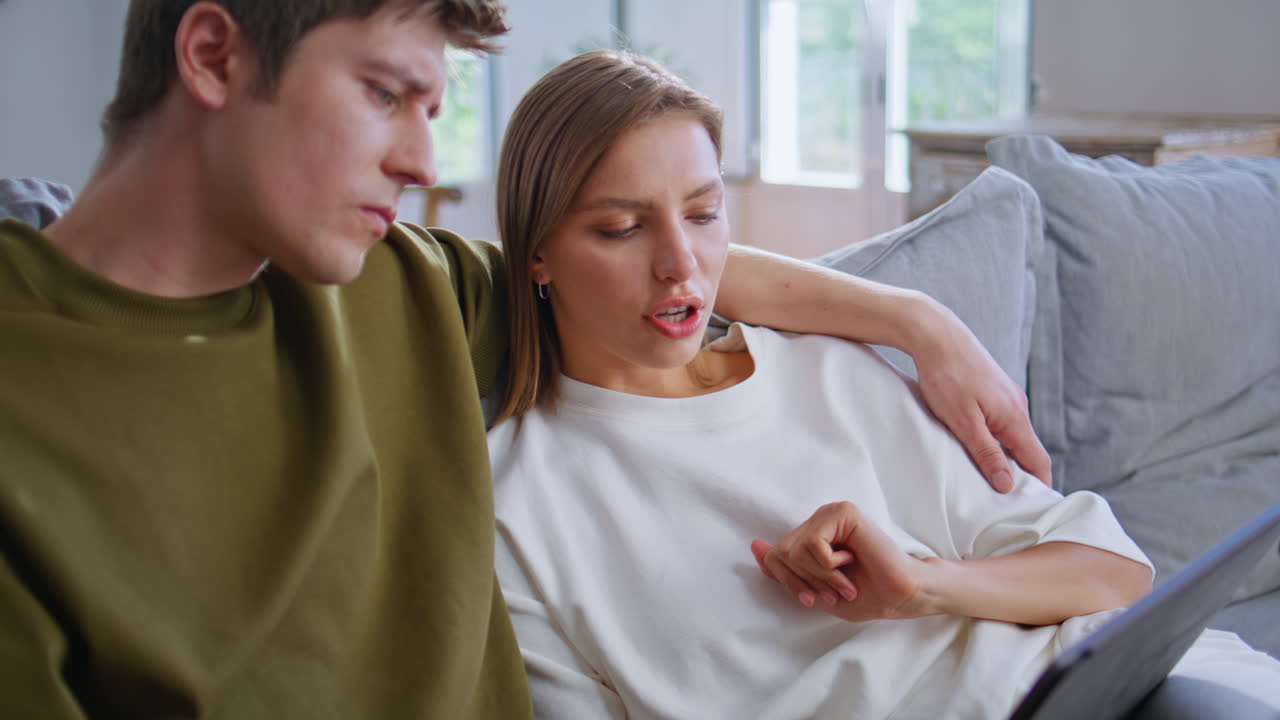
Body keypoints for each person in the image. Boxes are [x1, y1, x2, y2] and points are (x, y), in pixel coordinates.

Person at [0, 1, 1046, 716]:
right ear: (213, 55)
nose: (419, 161)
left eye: (432, 110)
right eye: (383, 94)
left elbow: (657, 271)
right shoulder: (28, 403)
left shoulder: (400, 281)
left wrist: (920, 324)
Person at [486, 50, 1280, 719]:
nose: (681, 263)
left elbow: (1117, 574)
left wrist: (921, 586)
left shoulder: (823, 372)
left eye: (703, 214)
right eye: (621, 228)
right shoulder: (512, 503)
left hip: (1132, 687)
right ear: (535, 252)